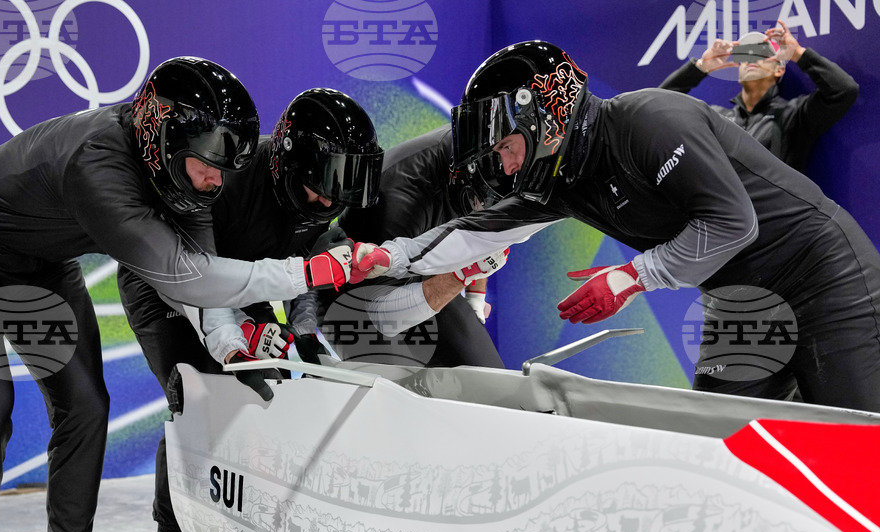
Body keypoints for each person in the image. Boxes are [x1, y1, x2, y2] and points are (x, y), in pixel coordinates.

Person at [0, 57, 354, 532]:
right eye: (208, 167)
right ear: (161, 139)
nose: (217, 184)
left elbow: (205, 290)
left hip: (41, 269)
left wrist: (239, 333)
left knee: (86, 406)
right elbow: (190, 278)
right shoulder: (98, 161)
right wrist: (316, 269)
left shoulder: (184, 172)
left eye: (227, 169)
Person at [350, 40, 880, 412]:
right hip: (739, 299)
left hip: (823, 276)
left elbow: (731, 223)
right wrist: (388, 258)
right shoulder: (556, 179)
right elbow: (475, 234)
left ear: (546, 121)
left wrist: (630, 277)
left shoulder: (651, 119)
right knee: (721, 454)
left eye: (507, 146)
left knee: (857, 447)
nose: (506, 166)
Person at [116, 87, 384, 532]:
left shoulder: (324, 191)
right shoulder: (228, 179)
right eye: (320, 187)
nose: (330, 201)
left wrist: (303, 335)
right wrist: (233, 345)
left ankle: (259, 528)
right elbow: (202, 285)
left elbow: (303, 273)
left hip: (247, 280)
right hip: (172, 281)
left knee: (274, 391)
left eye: (340, 188)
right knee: (197, 395)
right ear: (288, 165)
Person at [294, 124, 507, 369]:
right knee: (407, 391)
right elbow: (385, 317)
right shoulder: (399, 198)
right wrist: (461, 275)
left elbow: (482, 236)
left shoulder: (498, 158)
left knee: (488, 377)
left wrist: (475, 301)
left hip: (422, 274)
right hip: (358, 294)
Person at [658, 21, 858, 173]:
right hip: (724, 220)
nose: (751, 59)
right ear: (738, 73)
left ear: (779, 70)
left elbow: (844, 90)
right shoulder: (716, 117)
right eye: (746, 55)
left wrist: (797, 53)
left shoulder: (793, 114)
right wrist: (702, 66)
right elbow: (659, 107)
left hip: (773, 222)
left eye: (761, 54)